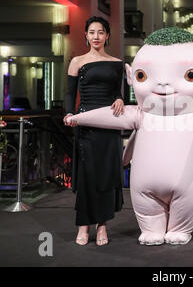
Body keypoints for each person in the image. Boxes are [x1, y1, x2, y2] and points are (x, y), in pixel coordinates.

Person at [63, 16, 125, 246]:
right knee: (88, 175)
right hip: (86, 122)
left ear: (107, 36)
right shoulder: (77, 61)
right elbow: (70, 93)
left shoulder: (117, 63)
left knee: (105, 175)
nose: (96, 36)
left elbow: (119, 93)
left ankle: (102, 226)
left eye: (100, 32)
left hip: (109, 123)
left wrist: (119, 99)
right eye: (92, 32)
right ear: (86, 35)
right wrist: (69, 114)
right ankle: (83, 226)